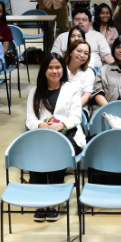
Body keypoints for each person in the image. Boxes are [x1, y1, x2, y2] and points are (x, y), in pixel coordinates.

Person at [25, 53, 86, 222]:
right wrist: (40, 125)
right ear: (44, 70)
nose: (54, 71)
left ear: (63, 69)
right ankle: (42, 200)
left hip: (69, 134)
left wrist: (62, 125)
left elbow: (76, 117)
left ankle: (54, 202)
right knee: (36, 152)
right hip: (43, 136)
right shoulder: (34, 91)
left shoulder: (71, 88)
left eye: (58, 67)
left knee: (56, 150)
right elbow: (30, 120)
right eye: (50, 67)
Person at [63, 39, 96, 108]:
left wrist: (72, 108)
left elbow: (86, 95)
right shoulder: (60, 69)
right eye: (79, 51)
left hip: (78, 107)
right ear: (71, 52)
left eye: (86, 53)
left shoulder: (89, 73)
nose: (82, 55)